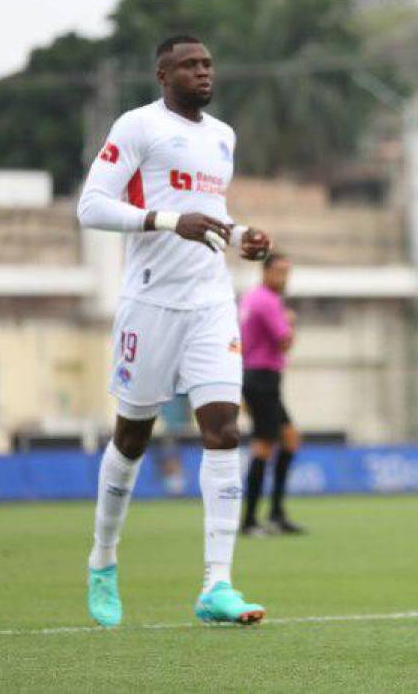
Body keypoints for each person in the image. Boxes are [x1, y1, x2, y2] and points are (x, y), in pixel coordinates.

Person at [76, 34, 272, 627]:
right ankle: (103, 560)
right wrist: (166, 221)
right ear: (164, 75)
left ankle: (218, 584)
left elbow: (210, 212)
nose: (203, 72)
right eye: (189, 65)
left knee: (223, 430)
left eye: (208, 63)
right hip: (150, 303)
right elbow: (91, 207)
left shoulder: (222, 136)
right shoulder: (138, 126)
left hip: (211, 302)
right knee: (132, 437)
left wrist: (241, 238)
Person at [240, 252, 305, 534]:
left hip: (257, 377)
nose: (283, 278)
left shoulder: (253, 298)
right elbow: (284, 343)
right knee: (264, 446)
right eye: (278, 272)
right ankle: (250, 520)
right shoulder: (267, 302)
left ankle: (276, 512)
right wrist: (290, 322)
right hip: (261, 378)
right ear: (265, 272)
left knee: (290, 438)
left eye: (287, 272)